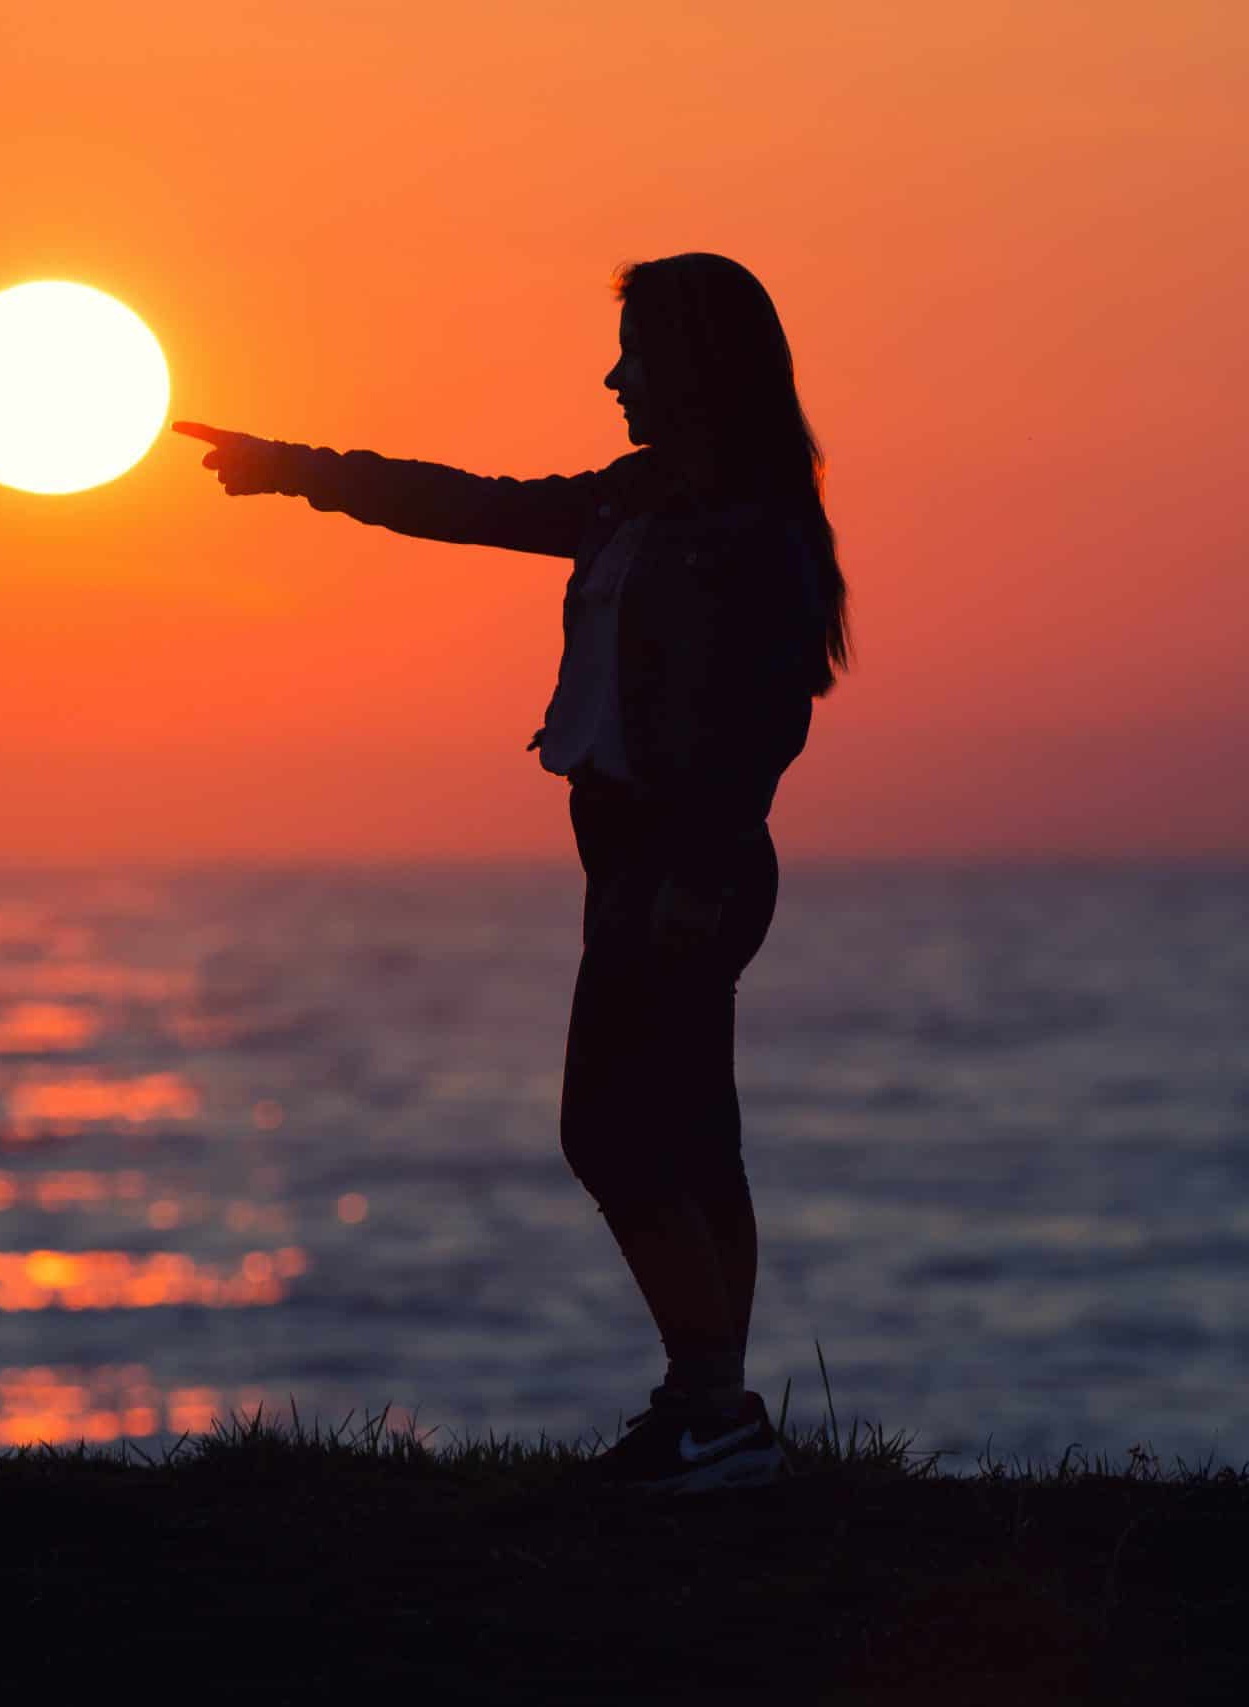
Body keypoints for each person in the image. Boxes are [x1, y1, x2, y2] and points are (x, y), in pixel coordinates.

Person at [170, 252, 853, 1493]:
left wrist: (693, 872)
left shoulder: (754, 529)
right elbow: (467, 505)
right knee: (691, 1136)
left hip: (684, 861)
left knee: (610, 1129)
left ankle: (716, 1411)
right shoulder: (629, 502)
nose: (614, 377)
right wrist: (293, 470)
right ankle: (710, 1411)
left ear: (698, 365)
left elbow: (768, 717)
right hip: (630, 857)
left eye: (636, 352)